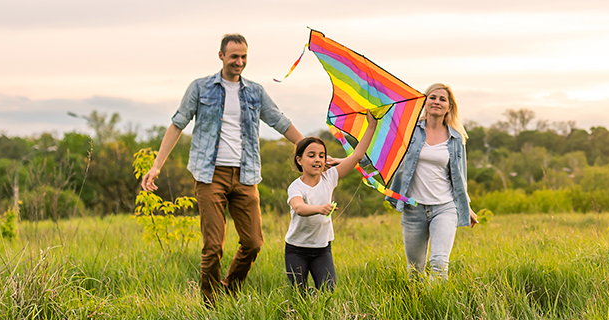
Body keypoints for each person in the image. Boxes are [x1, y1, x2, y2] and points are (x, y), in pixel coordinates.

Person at [140, 33, 304, 305]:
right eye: (234, 57)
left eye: (244, 57)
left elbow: (280, 122)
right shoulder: (200, 88)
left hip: (245, 176)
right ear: (221, 56)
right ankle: (211, 304)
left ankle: (228, 290)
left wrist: (312, 148)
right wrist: (156, 166)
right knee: (213, 246)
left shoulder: (255, 91)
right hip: (209, 175)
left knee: (253, 243)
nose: (239, 62)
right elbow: (177, 124)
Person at [389, 83, 478, 280]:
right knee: (415, 271)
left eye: (442, 99)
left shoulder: (456, 138)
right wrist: (347, 161)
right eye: (433, 97)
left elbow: (460, 176)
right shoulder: (410, 131)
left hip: (444, 208)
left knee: (439, 263)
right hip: (414, 208)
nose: (437, 102)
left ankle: (436, 306)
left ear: (449, 107)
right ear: (425, 101)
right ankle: (418, 308)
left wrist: (466, 206)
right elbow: (384, 154)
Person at [283, 115, 377, 293]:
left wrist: (371, 126)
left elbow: (357, 155)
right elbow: (299, 208)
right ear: (299, 160)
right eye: (311, 156)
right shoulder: (296, 187)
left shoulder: (330, 177)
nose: (317, 159)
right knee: (299, 294)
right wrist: (319, 209)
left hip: (322, 249)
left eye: (321, 155)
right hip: (296, 250)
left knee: (328, 292)